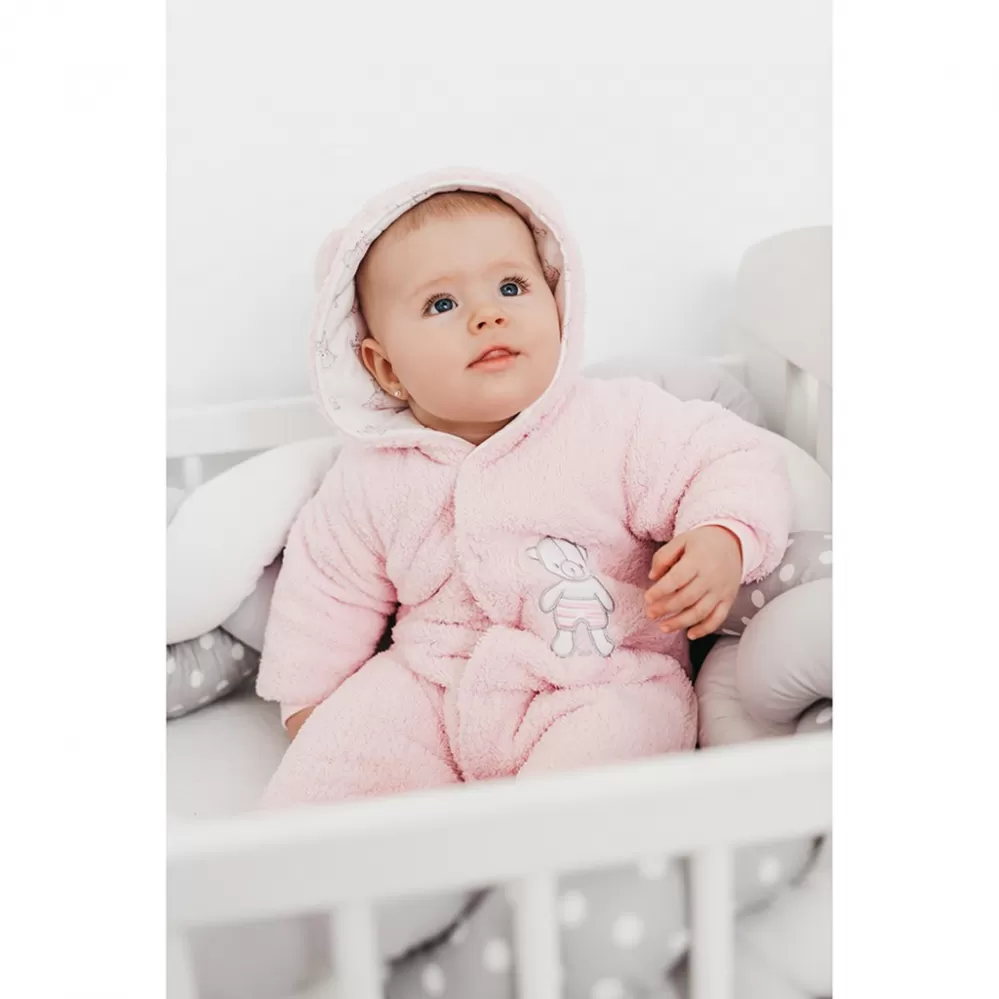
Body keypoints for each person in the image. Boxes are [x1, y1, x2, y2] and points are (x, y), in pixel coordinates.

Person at [256, 169, 790, 805]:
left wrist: (723, 535)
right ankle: (335, 852)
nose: (489, 315)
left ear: (558, 304)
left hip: (599, 674)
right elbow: (325, 585)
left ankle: (543, 858)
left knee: (607, 754)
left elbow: (727, 455)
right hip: (434, 684)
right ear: (385, 367)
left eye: (512, 287)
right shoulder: (373, 474)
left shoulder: (615, 421)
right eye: (442, 304)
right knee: (342, 759)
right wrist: (311, 706)